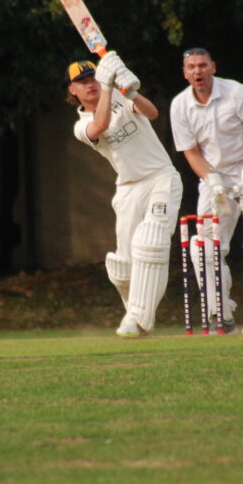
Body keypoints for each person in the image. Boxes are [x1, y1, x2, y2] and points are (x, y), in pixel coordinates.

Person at [65, 51, 183, 338]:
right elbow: (100, 125)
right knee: (123, 265)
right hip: (128, 188)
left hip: (160, 177)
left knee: (151, 240)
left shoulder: (119, 96)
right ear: (72, 90)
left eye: (93, 78)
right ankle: (135, 317)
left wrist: (132, 92)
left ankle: (137, 319)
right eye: (82, 81)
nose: (90, 84)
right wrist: (108, 87)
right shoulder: (80, 126)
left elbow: (153, 113)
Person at [170, 47, 243, 334]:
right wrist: (212, 180)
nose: (197, 71)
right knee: (204, 245)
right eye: (192, 67)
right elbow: (191, 151)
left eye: (202, 65)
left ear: (213, 67)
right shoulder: (180, 105)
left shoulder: (238, 94)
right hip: (215, 176)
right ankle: (220, 311)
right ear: (185, 72)